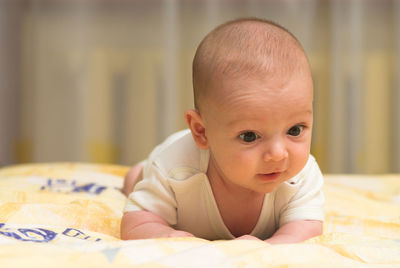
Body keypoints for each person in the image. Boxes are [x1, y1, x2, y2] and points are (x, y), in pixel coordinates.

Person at [120, 17, 325, 244]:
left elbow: (306, 227)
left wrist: (271, 246)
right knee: (138, 181)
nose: (278, 154)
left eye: (295, 130)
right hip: (167, 159)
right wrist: (164, 234)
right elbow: (136, 223)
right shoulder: (173, 168)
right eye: (250, 136)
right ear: (201, 132)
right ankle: (135, 174)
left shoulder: (302, 176)